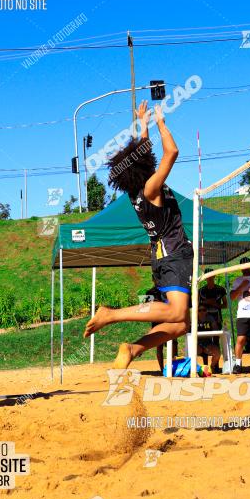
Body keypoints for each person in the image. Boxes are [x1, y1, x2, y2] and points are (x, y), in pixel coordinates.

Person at [84, 100, 193, 369]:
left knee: (180, 324)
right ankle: (111, 315)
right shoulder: (151, 188)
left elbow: (143, 151)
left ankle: (133, 348)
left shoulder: (137, 190)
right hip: (174, 253)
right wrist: (160, 123)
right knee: (177, 313)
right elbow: (172, 152)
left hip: (162, 256)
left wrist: (142, 123)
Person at [145, 285, 178, 374]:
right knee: (159, 346)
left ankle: (174, 367)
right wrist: (153, 305)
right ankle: (161, 369)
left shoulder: (169, 291)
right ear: (153, 278)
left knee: (174, 344)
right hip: (156, 321)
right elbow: (143, 309)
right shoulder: (149, 293)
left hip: (169, 320)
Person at [196, 304, 221, 373]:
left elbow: (215, 329)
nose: (202, 312)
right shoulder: (194, 319)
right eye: (199, 310)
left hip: (208, 343)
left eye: (204, 310)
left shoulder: (210, 318)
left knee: (217, 353)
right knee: (191, 353)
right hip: (197, 343)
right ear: (196, 311)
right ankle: (196, 368)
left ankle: (212, 366)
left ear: (206, 311)